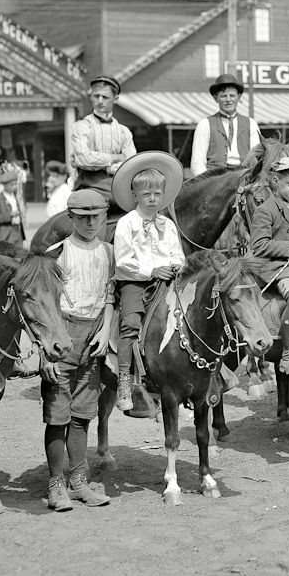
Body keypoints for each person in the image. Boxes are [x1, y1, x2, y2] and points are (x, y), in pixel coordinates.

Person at [41, 188, 115, 511]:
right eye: (82, 217)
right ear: (70, 217)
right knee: (58, 415)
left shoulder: (110, 253)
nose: (89, 223)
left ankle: (79, 480)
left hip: (94, 338)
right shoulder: (57, 254)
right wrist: (45, 352)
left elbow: (111, 295)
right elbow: (43, 307)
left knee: (84, 414)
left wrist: (106, 329)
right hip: (62, 335)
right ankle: (56, 484)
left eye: (96, 217)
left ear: (104, 217)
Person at [112, 151, 186, 412]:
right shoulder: (126, 223)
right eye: (146, 195)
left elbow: (177, 253)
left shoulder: (167, 224)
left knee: (187, 317)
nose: (153, 199)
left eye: (157, 194)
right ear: (135, 196)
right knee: (131, 323)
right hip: (136, 281)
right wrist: (152, 270)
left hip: (167, 280)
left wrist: (176, 265)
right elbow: (123, 260)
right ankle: (124, 378)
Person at [248, 156, 289, 378]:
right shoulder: (266, 210)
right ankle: (287, 350)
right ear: (276, 181)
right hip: (279, 268)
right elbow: (258, 245)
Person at [70, 74, 136, 197]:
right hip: (88, 185)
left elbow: (131, 164)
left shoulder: (124, 131)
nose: (100, 101)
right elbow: (84, 159)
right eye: (96, 96)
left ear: (115, 99)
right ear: (91, 96)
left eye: (105, 97)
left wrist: (104, 167)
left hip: (118, 185)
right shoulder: (81, 126)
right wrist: (116, 157)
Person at [190, 73, 262, 178]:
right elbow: (198, 161)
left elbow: (256, 157)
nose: (228, 100)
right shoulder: (205, 124)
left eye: (232, 95)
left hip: (243, 176)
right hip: (214, 179)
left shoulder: (251, 123)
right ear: (216, 98)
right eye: (223, 96)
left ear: (239, 97)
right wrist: (206, 183)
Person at [0, 164, 26, 245]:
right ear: (5, 185)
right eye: (12, 184)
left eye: (16, 184)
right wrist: (10, 215)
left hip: (18, 232)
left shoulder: (17, 197)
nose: (15, 186)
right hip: (4, 235)